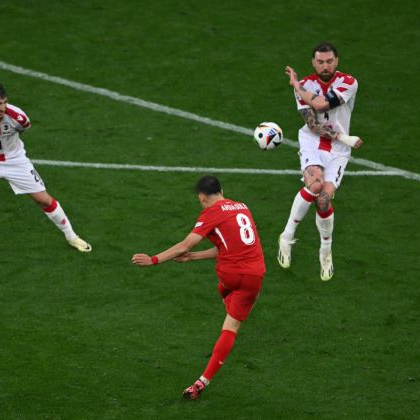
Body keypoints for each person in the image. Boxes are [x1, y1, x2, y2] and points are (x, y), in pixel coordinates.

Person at [132, 175, 265, 400]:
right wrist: (193, 258)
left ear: (202, 197)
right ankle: (202, 382)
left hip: (232, 275)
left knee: (227, 298)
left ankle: (202, 378)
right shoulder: (243, 207)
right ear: (221, 190)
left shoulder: (212, 212)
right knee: (231, 323)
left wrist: (154, 259)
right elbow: (226, 247)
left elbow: (185, 244)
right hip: (255, 276)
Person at [0, 82, 91, 260]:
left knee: (43, 199)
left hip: (15, 160)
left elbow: (24, 128)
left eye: (4, 102)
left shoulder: (17, 117)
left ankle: (72, 237)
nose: (2, 108)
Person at [277, 42, 362, 281]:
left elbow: (323, 104)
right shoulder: (304, 85)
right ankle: (287, 236)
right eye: (320, 62)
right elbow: (313, 123)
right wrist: (343, 136)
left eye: (330, 61)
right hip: (313, 142)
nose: (326, 66)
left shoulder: (348, 82)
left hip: (338, 151)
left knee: (324, 199)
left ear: (336, 61)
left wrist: (296, 86)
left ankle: (326, 251)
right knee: (314, 185)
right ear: (314, 63)